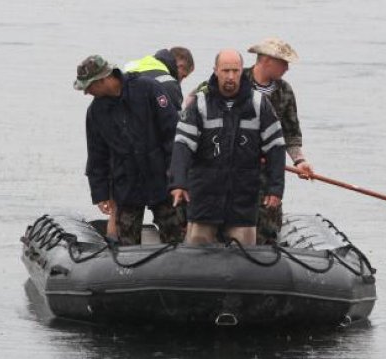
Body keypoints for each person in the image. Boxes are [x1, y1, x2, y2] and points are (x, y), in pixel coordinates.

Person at [168, 49, 286, 246]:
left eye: (235, 71)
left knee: (245, 256)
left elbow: (276, 146)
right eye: (225, 71)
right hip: (205, 200)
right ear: (216, 71)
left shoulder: (259, 104)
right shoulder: (199, 104)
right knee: (197, 253)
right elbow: (182, 145)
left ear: (242, 71)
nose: (230, 76)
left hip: (243, 200)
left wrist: (276, 189)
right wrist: (178, 182)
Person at [74, 54, 182, 245]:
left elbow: (172, 133)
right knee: (126, 244)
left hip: (161, 178)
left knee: (175, 234)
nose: (86, 92)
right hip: (126, 184)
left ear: (105, 78)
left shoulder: (148, 89)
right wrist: (101, 194)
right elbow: (97, 155)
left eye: (89, 86)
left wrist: (176, 175)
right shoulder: (95, 112)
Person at [244, 38, 314, 245]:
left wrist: (299, 161)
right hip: (235, 171)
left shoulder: (285, 91)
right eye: (283, 63)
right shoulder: (236, 80)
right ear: (266, 60)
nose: (287, 68)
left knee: (268, 229)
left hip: (269, 176)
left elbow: (291, 134)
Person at [123, 46, 195, 110]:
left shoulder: (135, 65)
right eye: (183, 76)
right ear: (180, 66)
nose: (180, 81)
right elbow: (173, 121)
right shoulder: (169, 84)